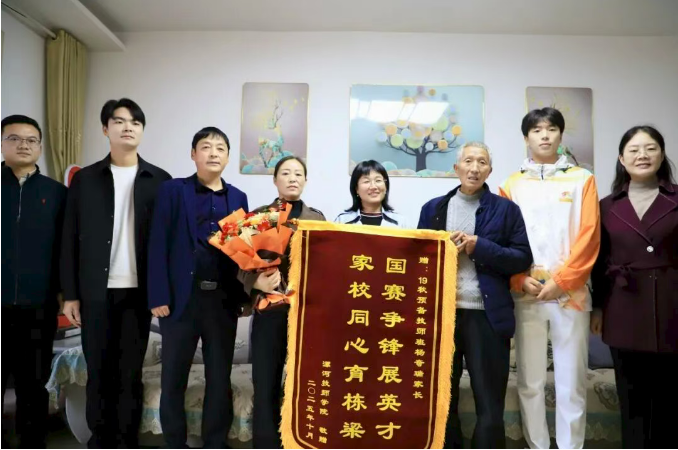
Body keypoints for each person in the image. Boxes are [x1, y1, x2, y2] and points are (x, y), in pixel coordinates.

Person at [61, 98, 172, 448]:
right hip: (95, 292)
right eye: (120, 121)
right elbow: (68, 239)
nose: (128, 127)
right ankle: (100, 441)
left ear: (142, 130)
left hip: (138, 293)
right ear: (105, 129)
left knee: (129, 373)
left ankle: (126, 441)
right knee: (99, 372)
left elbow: (168, 244)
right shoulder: (85, 180)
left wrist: (163, 292)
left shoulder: (160, 181)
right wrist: (70, 295)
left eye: (135, 122)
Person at [418, 141, 532, 448]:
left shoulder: (506, 210)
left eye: (482, 162)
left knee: (489, 402)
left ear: (489, 171)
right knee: (443, 400)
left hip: (487, 315)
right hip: (443, 318)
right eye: (468, 161)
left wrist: (479, 246)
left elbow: (522, 258)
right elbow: (419, 261)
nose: (474, 168)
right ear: (456, 168)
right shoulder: (432, 209)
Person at [500, 107, 600, 449]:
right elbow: (505, 239)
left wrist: (563, 281)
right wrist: (518, 279)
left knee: (571, 382)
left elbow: (589, 235)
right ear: (526, 137)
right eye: (537, 130)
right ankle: (538, 445)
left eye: (551, 128)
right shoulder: (511, 184)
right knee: (530, 381)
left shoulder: (582, 179)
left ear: (561, 134)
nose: (544, 135)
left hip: (571, 294)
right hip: (526, 292)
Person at [147, 126, 250, 448]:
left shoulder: (238, 197)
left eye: (220, 148)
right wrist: (158, 294)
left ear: (228, 157)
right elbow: (157, 243)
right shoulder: (172, 190)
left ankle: (214, 442)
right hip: (180, 300)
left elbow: (242, 252)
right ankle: (175, 443)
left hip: (221, 300)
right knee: (173, 377)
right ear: (194, 154)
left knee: (219, 378)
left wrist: (242, 297)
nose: (213, 153)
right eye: (206, 147)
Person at [591, 125, 677, 449]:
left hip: (671, 307)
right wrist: (598, 307)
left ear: (662, 154)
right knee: (631, 400)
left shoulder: (676, 198)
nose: (643, 155)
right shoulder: (606, 206)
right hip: (623, 306)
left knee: (668, 400)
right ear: (621, 158)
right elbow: (599, 261)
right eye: (634, 150)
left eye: (651, 148)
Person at [238, 156, 325, 448]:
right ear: (275, 180)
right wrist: (256, 282)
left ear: (305, 180)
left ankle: (299, 442)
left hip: (306, 315)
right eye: (285, 173)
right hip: (270, 312)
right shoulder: (259, 216)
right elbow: (239, 262)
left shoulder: (318, 219)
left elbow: (328, 266)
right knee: (265, 382)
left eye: (298, 173)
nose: (292, 178)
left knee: (304, 384)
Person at [1, 115, 67, 448]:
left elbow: (66, 250)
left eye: (31, 140)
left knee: (33, 385)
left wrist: (64, 292)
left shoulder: (57, 193)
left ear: (40, 146)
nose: (23, 145)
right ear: (2, 143)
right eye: (14, 138)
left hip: (38, 306)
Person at [335, 159, 409, 227]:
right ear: (356, 189)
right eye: (366, 181)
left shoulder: (400, 222)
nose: (373, 186)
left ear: (386, 186)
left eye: (378, 180)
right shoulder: (342, 221)